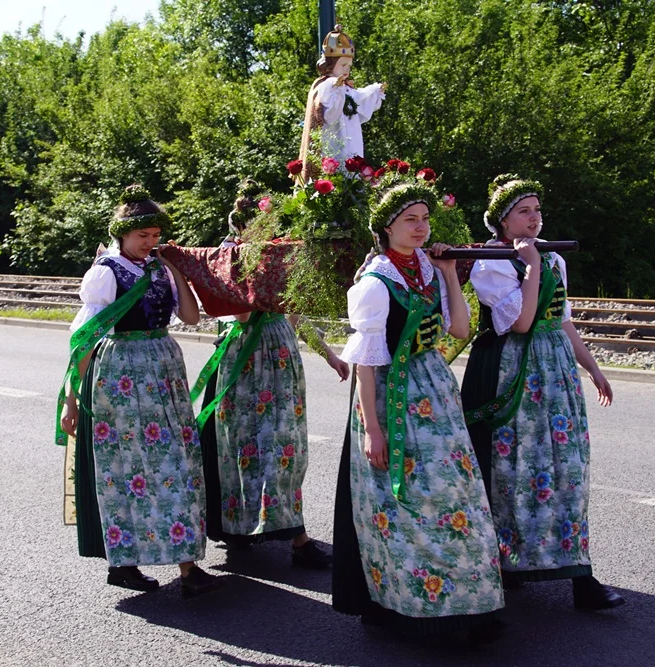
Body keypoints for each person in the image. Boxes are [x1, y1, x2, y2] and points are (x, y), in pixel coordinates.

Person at [332, 182, 505, 638]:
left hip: (435, 390)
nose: (421, 227)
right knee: (407, 502)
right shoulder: (375, 283)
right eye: (411, 219)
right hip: (392, 396)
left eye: (425, 219)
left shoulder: (429, 270)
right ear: (386, 228)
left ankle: (465, 604)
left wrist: (449, 273)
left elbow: (460, 328)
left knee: (454, 495)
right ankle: (408, 605)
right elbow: (366, 365)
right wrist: (373, 430)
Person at [460, 174, 623, 609]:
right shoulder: (491, 263)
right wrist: (530, 267)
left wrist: (592, 367)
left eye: (536, 210)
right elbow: (521, 323)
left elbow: (561, 319)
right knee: (514, 469)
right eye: (523, 212)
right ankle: (507, 561)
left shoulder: (552, 257)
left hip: (555, 370)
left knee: (566, 467)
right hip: (513, 370)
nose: (534, 218)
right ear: (502, 221)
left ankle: (579, 575)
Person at [57, 184, 224, 597]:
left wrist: (176, 269)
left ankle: (186, 564)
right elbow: (85, 338)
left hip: (163, 369)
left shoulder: (158, 268)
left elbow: (190, 317)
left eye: (155, 235)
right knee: (127, 469)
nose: (150, 242)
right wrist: (72, 400)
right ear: (122, 234)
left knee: (177, 464)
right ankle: (126, 563)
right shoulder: (107, 272)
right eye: (142, 235)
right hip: (121, 375)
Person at [192, 183, 350, 567]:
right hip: (244, 360)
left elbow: (293, 313)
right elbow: (243, 314)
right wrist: (247, 268)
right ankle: (245, 528)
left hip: (280, 357)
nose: (271, 231)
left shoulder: (279, 257)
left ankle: (292, 533)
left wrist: (330, 355)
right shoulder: (227, 258)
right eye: (263, 225)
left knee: (284, 448)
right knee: (242, 447)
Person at [297, 24, 385, 182]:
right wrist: (336, 91)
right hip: (334, 141)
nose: (347, 70)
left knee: (352, 175)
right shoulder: (326, 85)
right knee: (335, 175)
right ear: (331, 64)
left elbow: (359, 99)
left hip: (351, 141)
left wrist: (375, 92)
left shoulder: (346, 88)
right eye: (343, 65)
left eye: (349, 66)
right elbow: (329, 116)